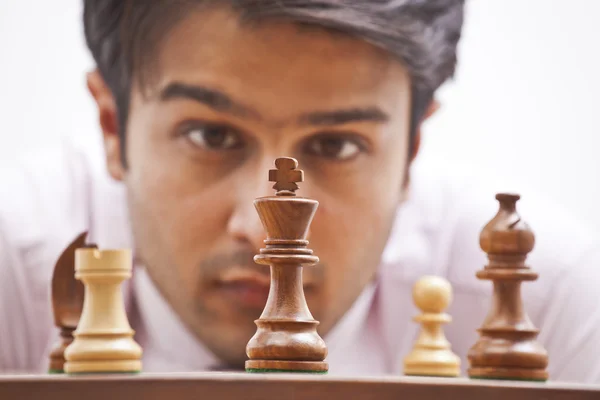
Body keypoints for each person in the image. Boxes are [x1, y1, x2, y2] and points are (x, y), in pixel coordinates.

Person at [1, 0, 599, 382]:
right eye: (211, 135)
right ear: (112, 127)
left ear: (413, 149)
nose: (264, 232)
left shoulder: (554, 297)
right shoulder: (15, 265)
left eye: (336, 145)